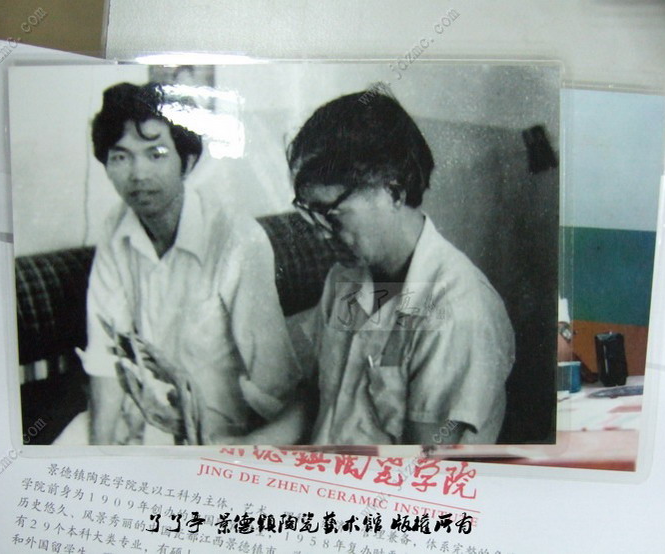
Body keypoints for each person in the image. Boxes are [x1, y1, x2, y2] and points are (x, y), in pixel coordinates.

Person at [287, 88, 515, 445]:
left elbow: (425, 464)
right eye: (310, 213)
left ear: (393, 192)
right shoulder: (345, 279)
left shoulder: (456, 308)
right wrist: (239, 447)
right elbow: (318, 401)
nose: (320, 232)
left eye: (330, 214)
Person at [79, 82, 303, 445]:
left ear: (187, 161)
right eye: (120, 157)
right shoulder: (115, 228)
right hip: (138, 423)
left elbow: (276, 384)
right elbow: (106, 357)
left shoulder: (236, 239)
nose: (138, 174)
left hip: (217, 437)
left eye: (156, 154)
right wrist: (100, 454)